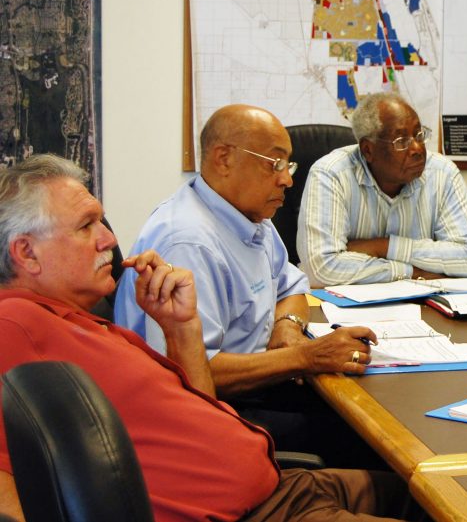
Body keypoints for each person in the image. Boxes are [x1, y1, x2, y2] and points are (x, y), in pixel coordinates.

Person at [0, 154, 414, 522]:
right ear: (26, 253)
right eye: (87, 226)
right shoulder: (14, 323)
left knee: (434, 497)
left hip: (281, 489)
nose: (108, 239)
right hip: (258, 513)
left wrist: (182, 328)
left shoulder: (83, 322)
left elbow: (204, 409)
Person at [115, 105, 379, 464]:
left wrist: (288, 328)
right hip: (207, 412)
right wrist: (303, 357)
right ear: (223, 159)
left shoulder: (248, 214)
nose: (287, 179)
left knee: (364, 405)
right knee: (362, 436)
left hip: (260, 382)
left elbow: (292, 288)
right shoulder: (188, 241)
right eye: (275, 164)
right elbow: (192, 372)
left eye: (289, 166)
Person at [297, 92, 467, 285]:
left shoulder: (442, 173)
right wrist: (410, 272)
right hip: (345, 310)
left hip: (421, 305)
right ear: (368, 150)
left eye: (419, 135)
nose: (417, 149)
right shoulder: (331, 174)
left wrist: (386, 246)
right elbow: (321, 268)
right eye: (402, 141)